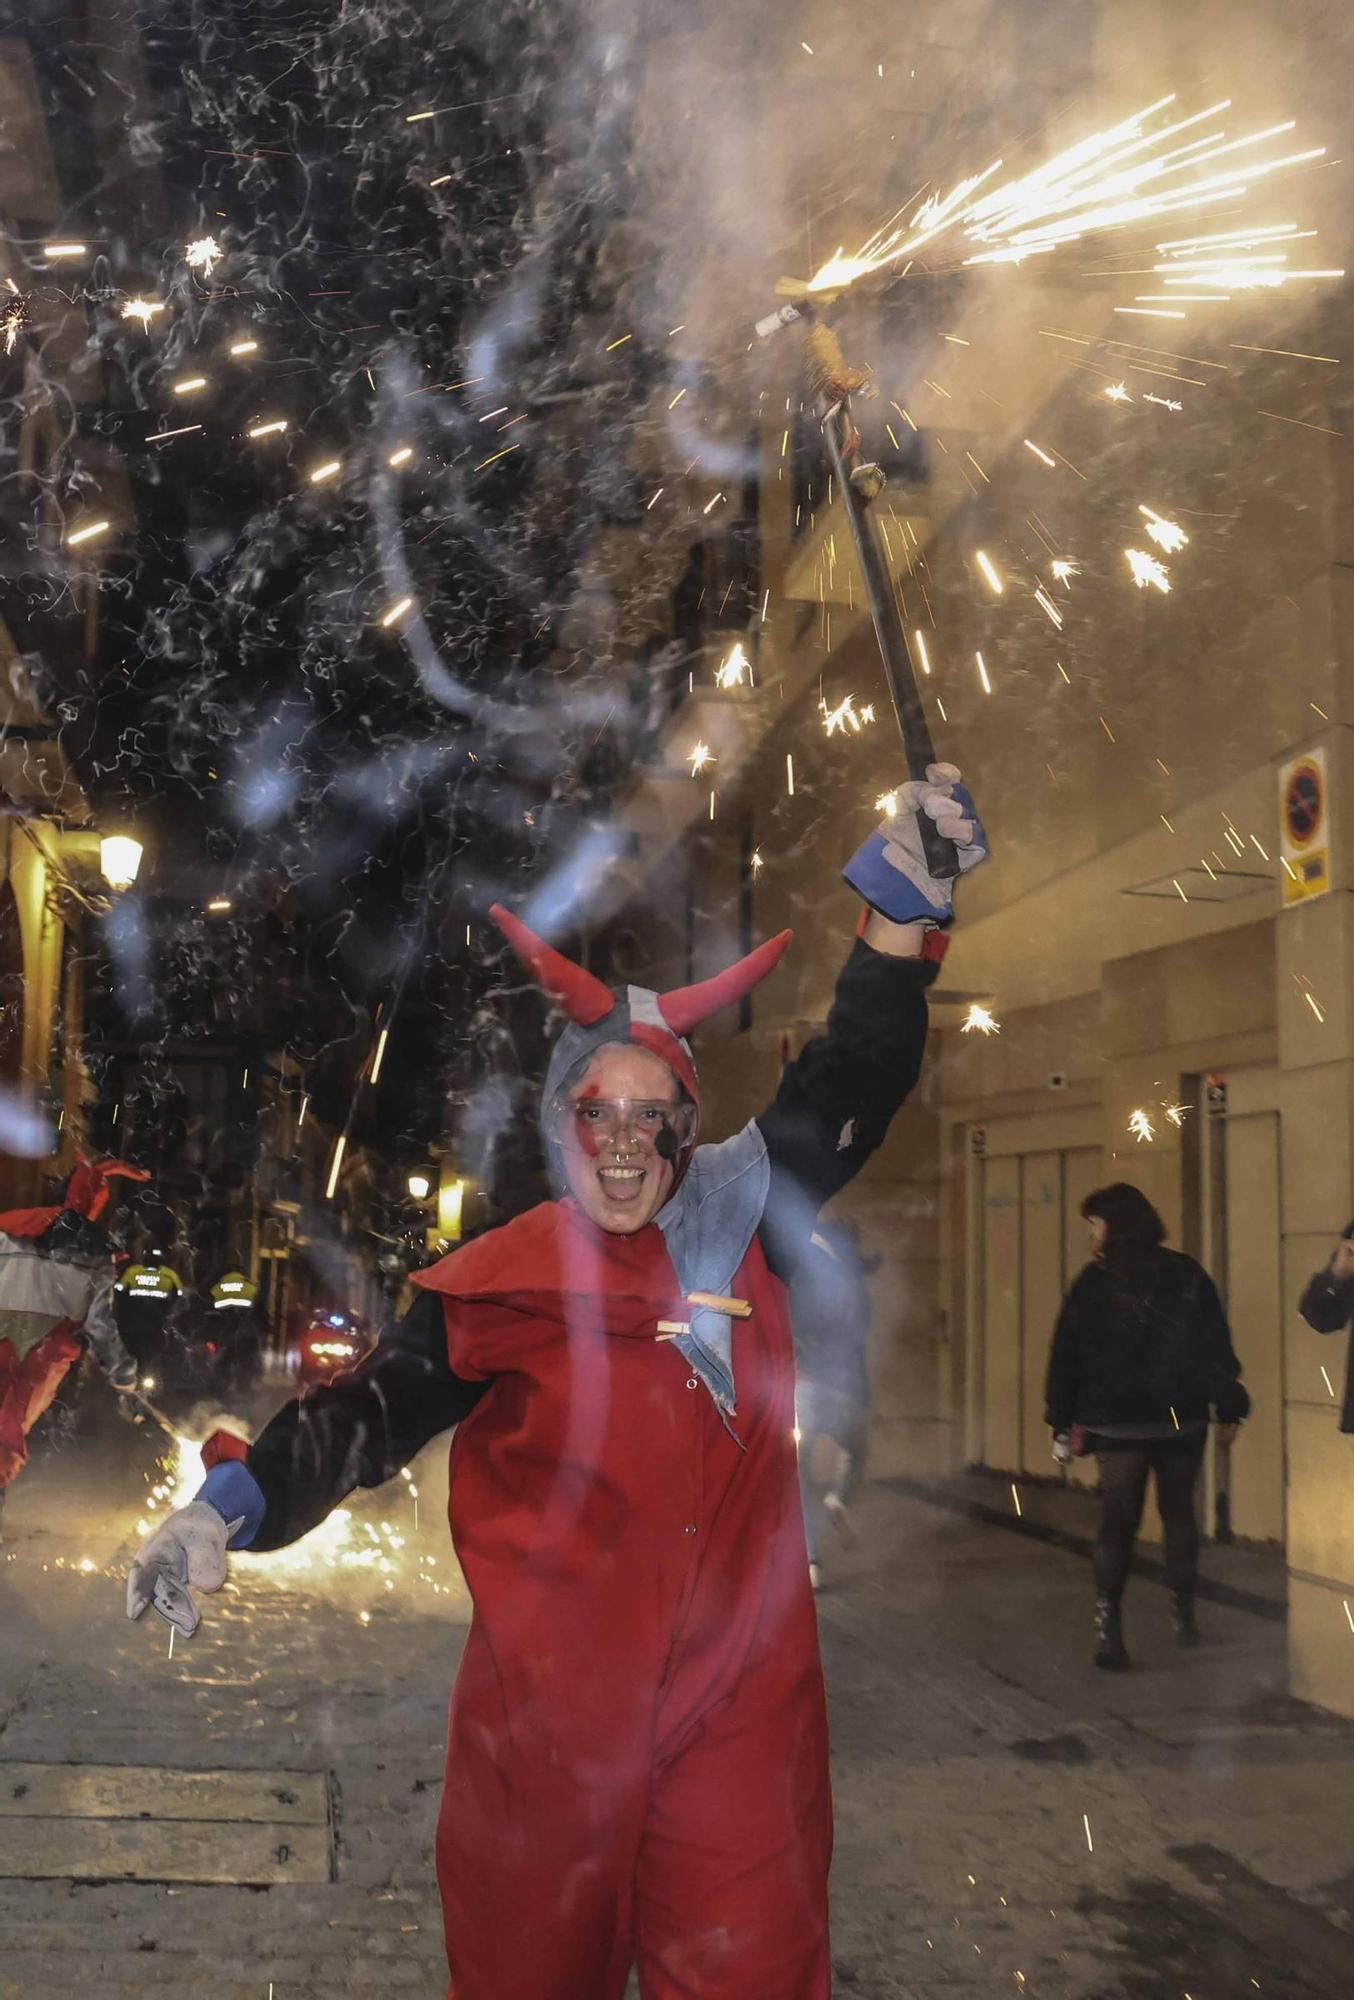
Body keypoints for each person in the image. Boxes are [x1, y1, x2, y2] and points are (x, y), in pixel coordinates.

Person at [126, 764, 985, 2000]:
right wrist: (225, 1509)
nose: (628, 1143)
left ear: (690, 1129)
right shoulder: (497, 1281)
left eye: (657, 1116)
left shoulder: (749, 1220)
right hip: (546, 1741)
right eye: (599, 1113)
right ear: (558, 1123)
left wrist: (904, 904)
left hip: (736, 1721)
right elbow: (362, 1417)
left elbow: (851, 1073)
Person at [1043, 1181, 1249, 1670]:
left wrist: (1060, 1421)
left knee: (1117, 1525)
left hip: (1118, 1427)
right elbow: (1214, 1347)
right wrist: (1230, 1404)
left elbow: (1065, 1357)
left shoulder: (1091, 1284)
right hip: (1182, 1420)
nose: (1091, 1233)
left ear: (1113, 1224)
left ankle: (1109, 1629)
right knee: (1179, 1515)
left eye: (1095, 1222)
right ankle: (1184, 1617)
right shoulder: (1188, 1275)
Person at [0, 1158, 147, 1507]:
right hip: (42, 1350)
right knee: (6, 1437)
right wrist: (124, 1374)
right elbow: (99, 1325)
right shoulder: (92, 1249)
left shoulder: (10, 1224)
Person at [792, 1222, 873, 1589]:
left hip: (805, 1389)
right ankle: (838, 1498)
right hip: (844, 1391)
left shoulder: (800, 1279)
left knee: (799, 1480)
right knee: (856, 1451)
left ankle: (810, 1562)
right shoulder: (853, 1286)